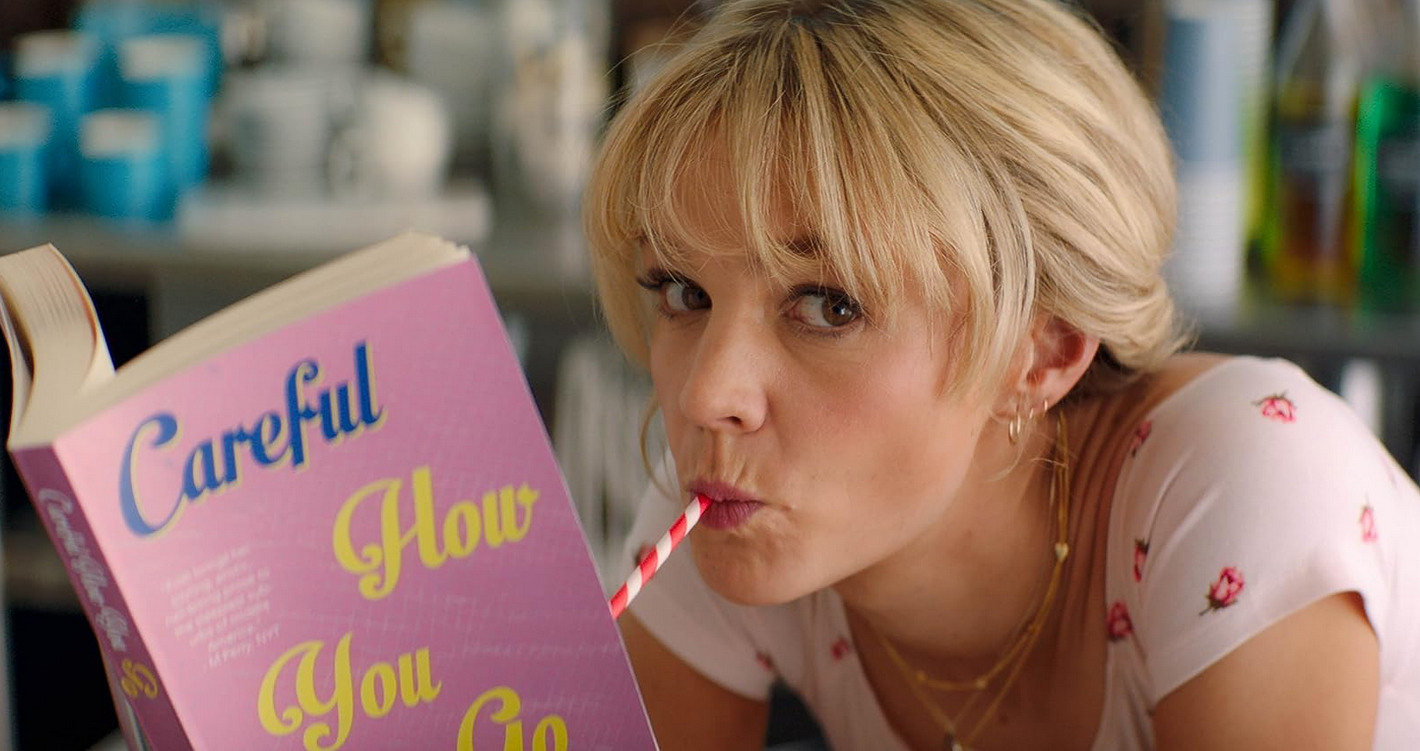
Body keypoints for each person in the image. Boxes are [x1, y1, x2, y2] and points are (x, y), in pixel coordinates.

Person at [581, 0, 1420, 748]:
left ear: (1044, 349)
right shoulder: (735, 503)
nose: (705, 396)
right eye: (683, 292)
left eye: (830, 305)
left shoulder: (1242, 485)